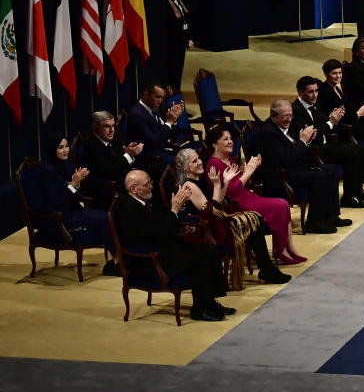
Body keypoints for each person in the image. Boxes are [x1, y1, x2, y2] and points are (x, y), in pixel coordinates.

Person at [119, 169, 232, 322]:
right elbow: (155, 233)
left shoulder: (148, 200)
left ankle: (210, 302)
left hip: (165, 250)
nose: (151, 186)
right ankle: (200, 309)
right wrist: (174, 210)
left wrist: (179, 206)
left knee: (210, 250)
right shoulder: (129, 209)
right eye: (147, 184)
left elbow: (166, 218)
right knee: (199, 258)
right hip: (150, 261)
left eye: (151, 182)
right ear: (133, 188)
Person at [173, 148, 291, 286]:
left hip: (214, 222)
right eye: (194, 161)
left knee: (255, 220)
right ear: (186, 168)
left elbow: (218, 201)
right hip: (206, 231)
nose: (200, 162)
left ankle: (267, 270)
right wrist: (217, 186)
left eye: (199, 158)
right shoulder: (189, 186)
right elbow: (211, 212)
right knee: (254, 224)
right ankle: (267, 270)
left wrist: (225, 182)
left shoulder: (199, 179)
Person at [205, 124, 306, 263]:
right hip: (235, 205)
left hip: (247, 197)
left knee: (283, 203)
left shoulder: (227, 159)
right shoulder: (214, 165)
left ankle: (289, 247)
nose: (230, 142)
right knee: (281, 204)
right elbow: (230, 192)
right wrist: (248, 172)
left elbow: (242, 184)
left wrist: (250, 169)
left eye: (230, 138)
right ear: (215, 144)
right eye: (225, 139)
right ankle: (280, 250)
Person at [254, 99, 350, 234]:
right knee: (320, 176)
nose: (289, 119)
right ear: (274, 116)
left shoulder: (288, 126)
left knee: (331, 169)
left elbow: (297, 149)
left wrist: (308, 141)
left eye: (290, 115)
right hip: (279, 175)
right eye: (285, 116)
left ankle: (331, 215)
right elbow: (285, 159)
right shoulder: (268, 133)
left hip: (295, 168)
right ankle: (314, 222)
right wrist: (303, 142)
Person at [291, 75, 364, 207]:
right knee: (352, 153)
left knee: (362, 149)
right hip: (314, 149)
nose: (315, 95)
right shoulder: (296, 110)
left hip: (326, 144)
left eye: (316, 91)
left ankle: (358, 190)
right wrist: (330, 122)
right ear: (300, 93)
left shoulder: (315, 104)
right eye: (311, 92)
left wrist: (333, 118)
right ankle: (348, 197)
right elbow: (312, 134)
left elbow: (323, 122)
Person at [38, 133, 119, 275]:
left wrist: (77, 183)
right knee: (106, 218)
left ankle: (114, 262)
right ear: (52, 150)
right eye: (60, 147)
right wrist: (73, 183)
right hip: (60, 218)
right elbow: (56, 203)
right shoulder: (47, 172)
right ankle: (113, 263)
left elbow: (73, 195)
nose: (66, 150)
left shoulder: (66, 165)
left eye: (67, 146)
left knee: (110, 216)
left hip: (75, 210)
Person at [127, 81, 184, 178]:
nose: (160, 101)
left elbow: (166, 133)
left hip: (161, 152)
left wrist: (174, 120)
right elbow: (153, 141)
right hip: (149, 159)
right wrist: (169, 122)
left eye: (162, 98)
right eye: (157, 97)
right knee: (187, 163)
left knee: (191, 157)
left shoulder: (154, 108)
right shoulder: (136, 114)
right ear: (146, 94)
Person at [81, 111, 143, 191]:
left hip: (123, 181)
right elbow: (111, 172)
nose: (112, 130)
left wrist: (130, 154)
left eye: (113, 125)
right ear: (96, 127)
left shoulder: (113, 139)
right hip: (107, 189)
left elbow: (120, 163)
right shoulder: (91, 147)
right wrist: (128, 155)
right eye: (107, 126)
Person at [160, 0, 194, 92]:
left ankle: (177, 97)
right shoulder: (163, 1)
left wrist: (189, 38)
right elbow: (172, 26)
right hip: (173, 44)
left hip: (181, 42)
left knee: (178, 73)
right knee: (173, 74)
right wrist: (185, 40)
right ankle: (172, 100)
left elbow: (185, 19)